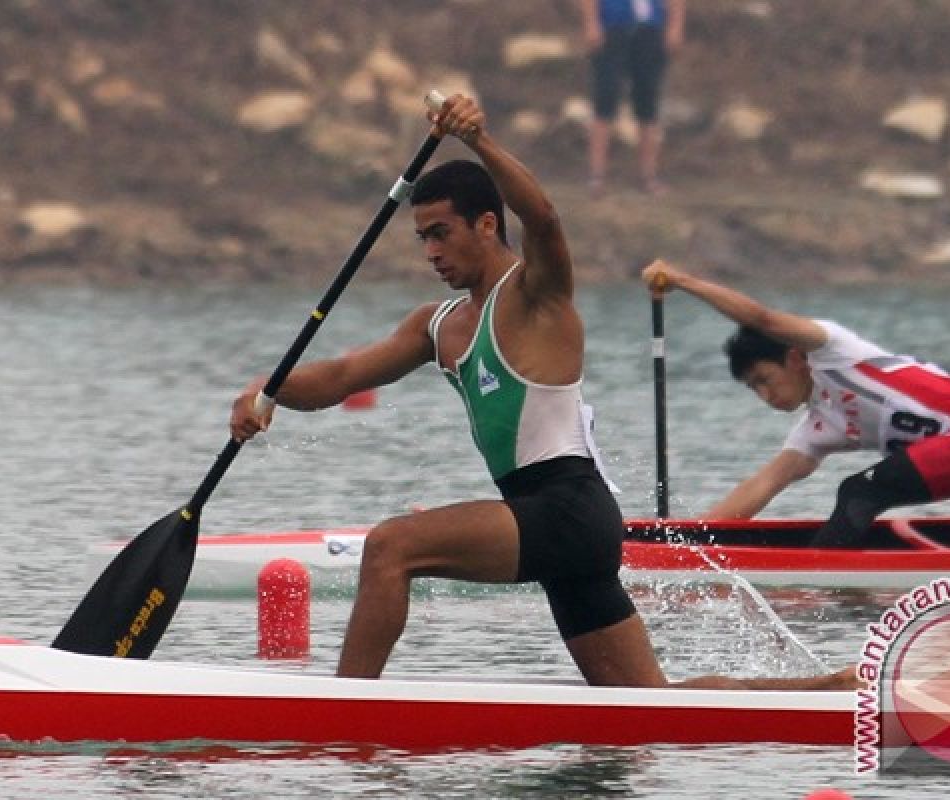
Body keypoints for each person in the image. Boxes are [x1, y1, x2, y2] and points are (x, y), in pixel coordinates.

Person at [231, 95, 854, 691]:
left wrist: (479, 139)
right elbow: (340, 379)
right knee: (645, 705)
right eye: (422, 237)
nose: (431, 251)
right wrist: (269, 389)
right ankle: (824, 692)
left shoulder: (536, 295)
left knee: (392, 548)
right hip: (553, 524)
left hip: (567, 509)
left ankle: (349, 712)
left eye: (442, 232)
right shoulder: (437, 325)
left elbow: (547, 219)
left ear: (486, 223)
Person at [641, 259, 950, 548]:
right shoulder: (818, 428)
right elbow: (764, 484)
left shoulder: (834, 350)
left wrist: (684, 281)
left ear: (794, 359)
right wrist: (686, 541)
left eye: (764, 380)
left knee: (857, 492)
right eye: (753, 389)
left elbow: (763, 319)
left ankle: (823, 595)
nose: (765, 396)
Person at [579, 0, 686, 196]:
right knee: (605, 99)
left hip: (650, 29)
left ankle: (648, 176)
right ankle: (597, 176)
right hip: (611, 27)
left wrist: (675, 25)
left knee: (648, 103)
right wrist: (591, 23)